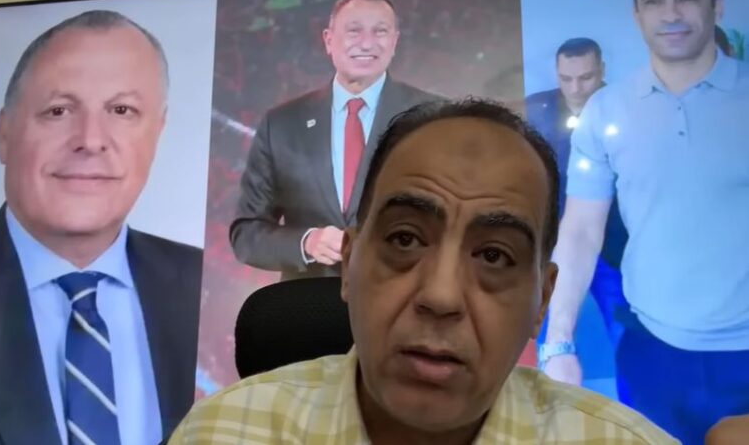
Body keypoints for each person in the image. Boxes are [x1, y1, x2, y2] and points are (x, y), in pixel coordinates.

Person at [168, 98, 677, 444]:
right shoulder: (224, 432)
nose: (441, 295)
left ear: (541, 300)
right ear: (348, 263)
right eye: (404, 240)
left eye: (494, 256)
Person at [0, 10, 202, 445]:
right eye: (58, 111)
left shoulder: (209, 287)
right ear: (4, 133)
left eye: (122, 110)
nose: (91, 140)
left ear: (158, 132)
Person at [542, 0, 749, 443]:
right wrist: (558, 342)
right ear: (637, 15)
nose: (670, 13)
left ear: (716, 5)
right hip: (650, 352)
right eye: (654, 0)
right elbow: (580, 231)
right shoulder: (604, 111)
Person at [230, 0, 438, 281]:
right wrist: (307, 243)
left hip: (402, 298)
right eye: (354, 31)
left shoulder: (434, 117)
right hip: (310, 303)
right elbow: (247, 234)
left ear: (394, 42)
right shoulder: (282, 125)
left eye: (380, 32)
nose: (367, 43)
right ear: (329, 40)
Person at [525, 38, 629, 360]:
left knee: (626, 335)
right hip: (555, 245)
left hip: (617, 246)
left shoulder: (628, 109)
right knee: (548, 335)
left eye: (585, 77)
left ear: (602, 70)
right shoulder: (533, 111)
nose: (576, 88)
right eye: (566, 78)